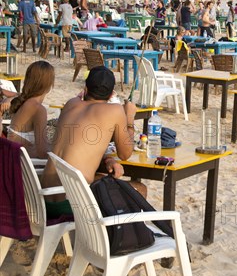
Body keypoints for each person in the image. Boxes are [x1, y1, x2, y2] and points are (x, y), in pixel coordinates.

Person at [41, 66, 143, 218]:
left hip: (45, 198)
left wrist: (107, 158)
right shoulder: (115, 111)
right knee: (140, 189)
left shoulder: (71, 104)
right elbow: (125, 154)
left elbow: (79, 142)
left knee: (101, 178)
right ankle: (121, 239)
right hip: (72, 204)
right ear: (111, 95)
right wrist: (129, 117)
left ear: (86, 88)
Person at [7, 61, 54, 159]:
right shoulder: (38, 109)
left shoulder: (23, 101)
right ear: (49, 84)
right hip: (23, 168)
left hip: (11, 161)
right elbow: (42, 153)